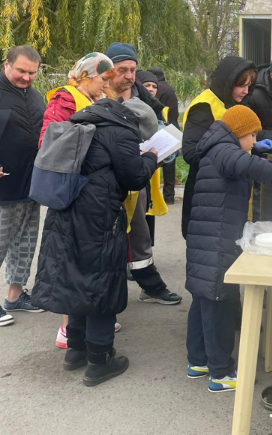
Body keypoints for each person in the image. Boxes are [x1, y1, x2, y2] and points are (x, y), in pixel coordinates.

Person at [31, 97, 158, 386]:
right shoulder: (122, 132)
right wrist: (150, 157)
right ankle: (99, 361)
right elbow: (134, 177)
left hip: (65, 210)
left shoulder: (85, 121)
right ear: (138, 125)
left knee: (75, 277)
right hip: (99, 216)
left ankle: (75, 350)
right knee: (101, 283)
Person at [185, 105, 272, 392]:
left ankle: (198, 361)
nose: (255, 141)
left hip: (206, 239)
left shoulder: (216, 148)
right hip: (217, 240)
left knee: (202, 300)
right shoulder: (225, 151)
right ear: (238, 132)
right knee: (218, 303)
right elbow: (248, 165)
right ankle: (221, 373)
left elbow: (244, 161)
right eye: (252, 135)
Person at [38, 52, 123, 346]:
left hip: (88, 188)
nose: (106, 85)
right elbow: (49, 142)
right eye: (103, 79)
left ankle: (82, 325)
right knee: (70, 259)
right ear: (86, 76)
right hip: (73, 189)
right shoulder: (65, 97)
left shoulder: (91, 98)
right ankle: (68, 329)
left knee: (82, 260)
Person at [106, 42, 181, 305]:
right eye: (122, 70)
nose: (129, 76)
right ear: (108, 70)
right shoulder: (97, 94)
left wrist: (166, 149)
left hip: (138, 176)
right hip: (105, 180)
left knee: (139, 234)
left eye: (132, 70)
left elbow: (159, 130)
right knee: (106, 236)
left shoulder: (144, 97)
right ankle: (106, 298)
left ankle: (151, 286)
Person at [181, 56, 257, 239]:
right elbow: (191, 152)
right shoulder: (204, 107)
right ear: (228, 82)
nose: (246, 91)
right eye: (241, 86)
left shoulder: (231, 102)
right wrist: (233, 152)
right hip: (208, 194)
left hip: (230, 190)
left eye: (249, 86)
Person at [0, 45, 46, 327]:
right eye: (21, 71)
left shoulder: (34, 95)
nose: (27, 77)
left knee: (25, 243)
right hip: (3, 187)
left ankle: (15, 296)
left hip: (31, 184)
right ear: (6, 64)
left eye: (32, 73)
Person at [147, 66, 180, 205]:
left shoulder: (159, 89)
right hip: (173, 128)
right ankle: (169, 196)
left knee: (157, 162)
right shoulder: (169, 88)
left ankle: (154, 197)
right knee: (170, 166)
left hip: (163, 129)